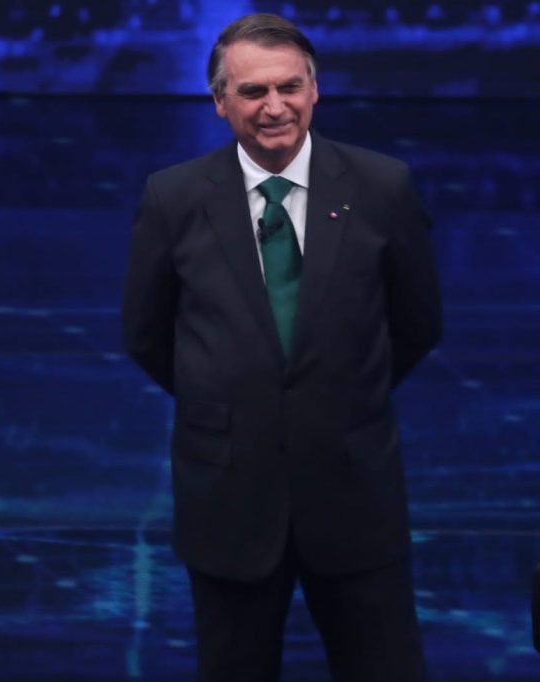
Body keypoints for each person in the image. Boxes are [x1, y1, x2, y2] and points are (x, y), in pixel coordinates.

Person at [122, 13, 441, 682]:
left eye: (290, 87)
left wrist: (342, 395)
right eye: (253, 91)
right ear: (220, 102)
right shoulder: (173, 197)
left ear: (314, 90)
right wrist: (232, 401)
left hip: (356, 497)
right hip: (228, 501)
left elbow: (417, 324)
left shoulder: (382, 187)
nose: (275, 107)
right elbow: (147, 335)